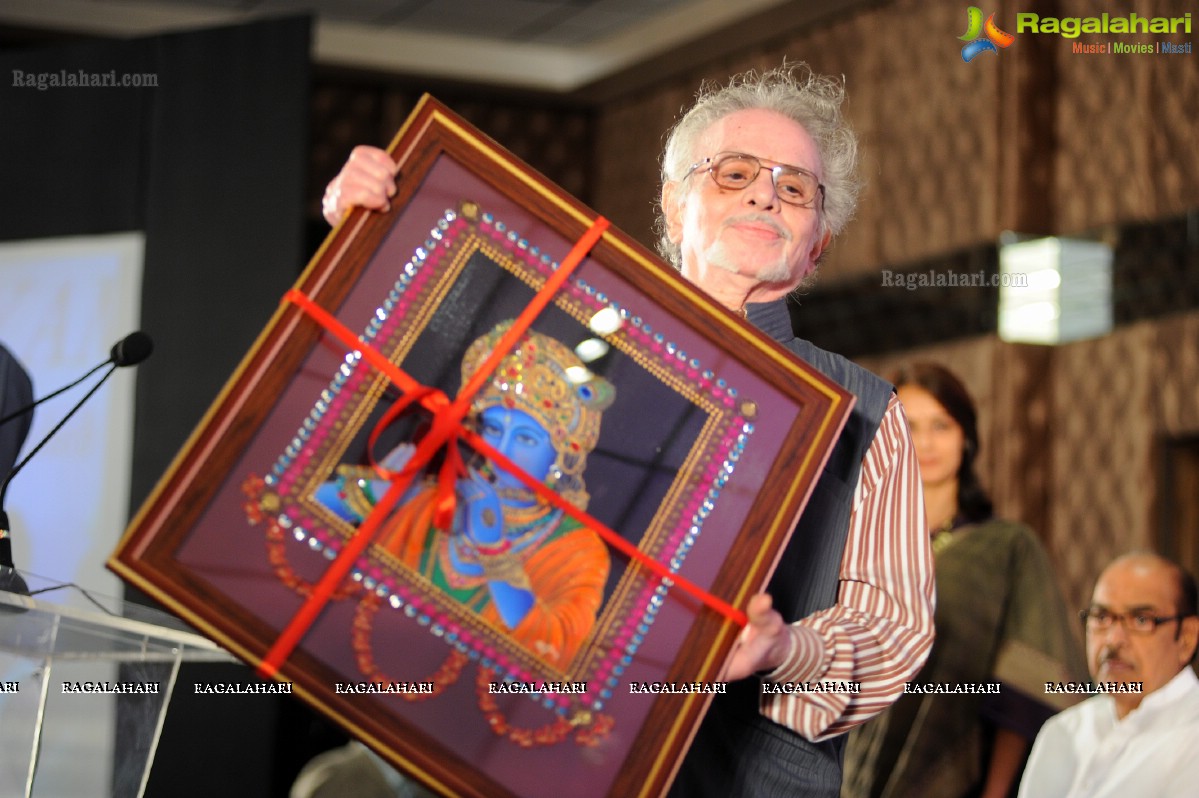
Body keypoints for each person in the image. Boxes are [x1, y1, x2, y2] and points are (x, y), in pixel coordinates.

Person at [320, 62, 935, 797]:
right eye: (734, 173)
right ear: (675, 208)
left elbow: (893, 631)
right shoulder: (560, 335)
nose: (764, 193)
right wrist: (365, 237)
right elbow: (390, 401)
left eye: (794, 187)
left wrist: (785, 648)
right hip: (521, 757)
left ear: (817, 244)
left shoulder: (865, 408)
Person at [841, 362, 1088, 798]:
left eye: (942, 425)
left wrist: (996, 792)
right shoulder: (858, 539)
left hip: (960, 778)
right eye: (910, 426)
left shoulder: (1006, 548)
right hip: (845, 769)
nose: (926, 443)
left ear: (966, 437)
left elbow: (1026, 688)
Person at [315, 321, 614, 669]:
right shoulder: (437, 498)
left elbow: (551, 657)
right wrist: (371, 494)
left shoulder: (577, 550)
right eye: (492, 429)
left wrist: (493, 551)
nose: (501, 450)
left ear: (560, 454)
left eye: (525, 439)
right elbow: (284, 505)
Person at [1017, 552, 1199, 798]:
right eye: (1101, 617)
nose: (1113, 639)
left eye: (1141, 620)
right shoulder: (1063, 732)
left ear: (1187, 637)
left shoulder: (1191, 736)